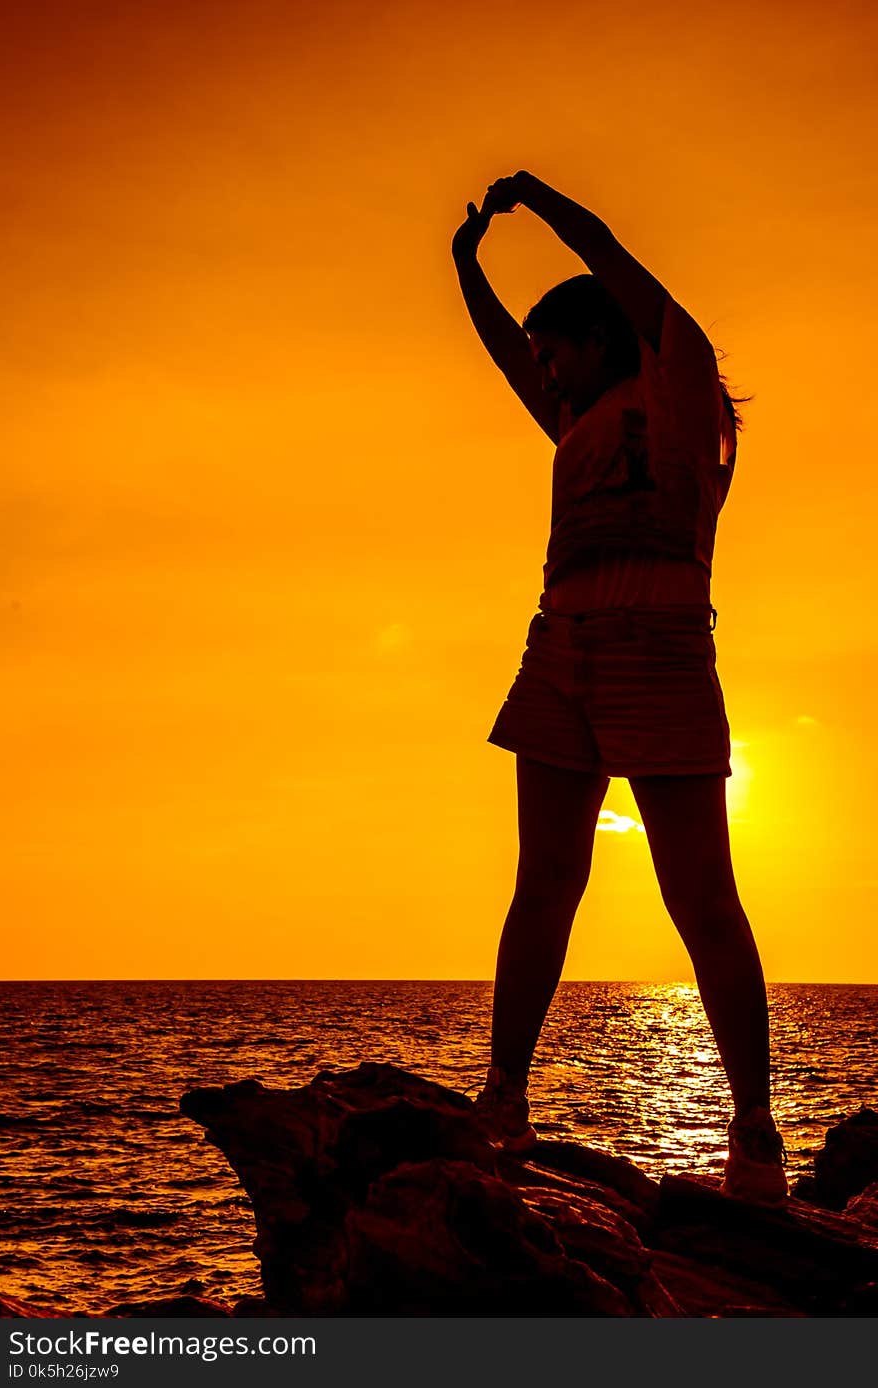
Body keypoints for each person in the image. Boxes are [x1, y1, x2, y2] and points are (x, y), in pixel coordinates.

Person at [451, 170, 787, 1204]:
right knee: (543, 882)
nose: (543, 372)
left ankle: (753, 1131)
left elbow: (612, 258)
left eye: (558, 351)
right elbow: (504, 345)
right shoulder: (572, 419)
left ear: (603, 338)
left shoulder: (676, 386)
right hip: (560, 646)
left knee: (700, 897)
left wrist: (536, 201)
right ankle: (502, 1097)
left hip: (661, 645)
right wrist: (463, 266)